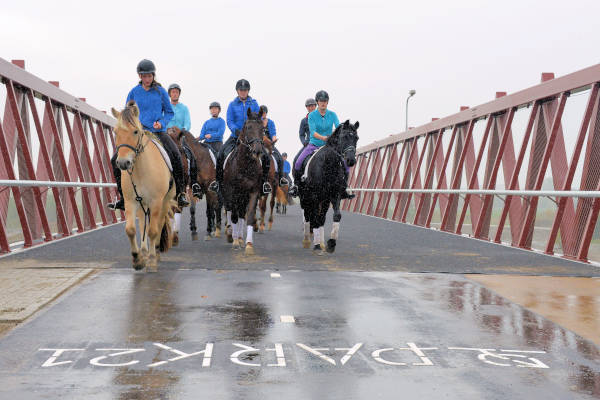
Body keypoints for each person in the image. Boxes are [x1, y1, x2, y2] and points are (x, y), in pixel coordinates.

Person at [107, 59, 189, 210]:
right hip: (138, 134)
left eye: (149, 76)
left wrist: (162, 123)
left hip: (157, 132)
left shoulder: (161, 91)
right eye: (144, 76)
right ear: (139, 76)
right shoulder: (133, 92)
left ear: (153, 75)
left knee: (176, 155)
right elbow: (127, 115)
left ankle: (181, 193)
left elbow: (169, 112)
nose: (147, 79)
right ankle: (122, 197)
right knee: (114, 160)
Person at [209, 79, 272, 194]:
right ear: (237, 91)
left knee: (266, 157)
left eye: (245, 90)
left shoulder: (254, 103)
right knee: (220, 155)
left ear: (248, 91)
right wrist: (236, 131)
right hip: (235, 136)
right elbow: (230, 120)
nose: (243, 92)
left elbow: (259, 118)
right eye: (241, 90)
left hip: (252, 138)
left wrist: (260, 126)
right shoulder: (232, 105)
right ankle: (218, 183)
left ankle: (264, 184)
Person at [290, 90, 354, 199]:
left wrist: (345, 131)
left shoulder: (332, 114)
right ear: (318, 102)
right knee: (298, 162)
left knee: (345, 165)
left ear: (327, 102)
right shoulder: (311, 116)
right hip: (314, 144)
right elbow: (313, 132)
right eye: (321, 101)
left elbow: (339, 127)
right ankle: (296, 185)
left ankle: (343, 188)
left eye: (325, 101)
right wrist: (324, 138)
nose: (323, 103)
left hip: (330, 147)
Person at [166, 83, 201, 198]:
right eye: (173, 92)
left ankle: (194, 184)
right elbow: (163, 119)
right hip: (168, 135)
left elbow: (187, 122)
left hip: (180, 135)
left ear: (179, 94)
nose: (175, 94)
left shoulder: (184, 108)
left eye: (176, 92)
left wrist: (183, 130)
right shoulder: (166, 107)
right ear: (170, 94)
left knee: (191, 155)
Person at [260, 105, 288, 187]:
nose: (263, 114)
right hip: (259, 144)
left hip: (269, 144)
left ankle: (281, 178)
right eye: (261, 112)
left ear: (266, 113)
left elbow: (273, 133)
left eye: (264, 112)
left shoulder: (271, 122)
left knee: (280, 158)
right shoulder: (257, 122)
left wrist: (273, 140)